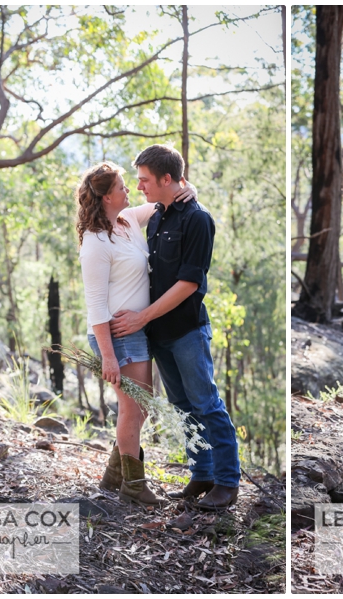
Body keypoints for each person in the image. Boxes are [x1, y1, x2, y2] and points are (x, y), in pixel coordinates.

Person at [110, 144, 240, 510]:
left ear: (167, 179)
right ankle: (202, 472)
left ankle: (228, 482)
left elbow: (189, 283)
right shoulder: (159, 214)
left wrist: (141, 317)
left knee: (206, 403)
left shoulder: (198, 219)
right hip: (159, 334)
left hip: (186, 332)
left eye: (145, 180)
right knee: (182, 405)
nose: (140, 187)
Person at [76, 161, 195, 507]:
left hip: (136, 330)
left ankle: (115, 476)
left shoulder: (127, 222)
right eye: (122, 187)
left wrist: (192, 189)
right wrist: (108, 356)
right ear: (107, 197)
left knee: (138, 408)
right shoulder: (96, 243)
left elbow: (164, 201)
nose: (130, 190)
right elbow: (95, 304)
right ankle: (133, 486)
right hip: (114, 336)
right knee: (133, 409)